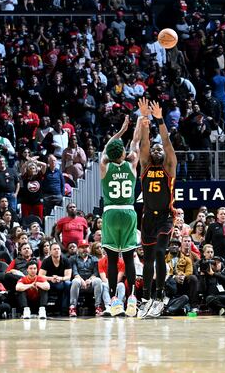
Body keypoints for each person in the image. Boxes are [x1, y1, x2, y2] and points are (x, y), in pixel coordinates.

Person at [99, 106, 145, 317]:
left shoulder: (105, 166)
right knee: (128, 257)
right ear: (124, 154)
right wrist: (138, 121)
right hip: (128, 211)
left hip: (110, 213)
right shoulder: (132, 164)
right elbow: (135, 142)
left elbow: (106, 150)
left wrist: (119, 132)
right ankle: (133, 297)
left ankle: (114, 300)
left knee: (110, 257)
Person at [138, 100, 178, 318]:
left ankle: (161, 295)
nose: (156, 149)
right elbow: (144, 144)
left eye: (158, 148)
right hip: (147, 219)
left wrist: (159, 120)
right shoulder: (145, 166)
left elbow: (166, 142)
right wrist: (144, 119)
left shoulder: (169, 166)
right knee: (148, 258)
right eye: (154, 148)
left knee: (161, 253)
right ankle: (146, 297)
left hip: (165, 217)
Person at [38, 242, 72, 315]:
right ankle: (44, 309)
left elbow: (68, 277)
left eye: (58, 249)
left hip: (61, 282)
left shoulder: (66, 260)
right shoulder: (46, 261)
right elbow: (40, 275)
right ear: (50, 251)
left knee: (68, 284)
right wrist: (50, 278)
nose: (57, 250)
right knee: (44, 285)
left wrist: (60, 278)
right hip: (50, 282)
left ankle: (64, 309)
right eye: (54, 249)